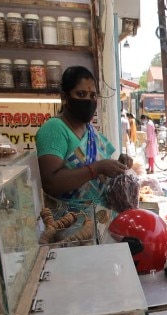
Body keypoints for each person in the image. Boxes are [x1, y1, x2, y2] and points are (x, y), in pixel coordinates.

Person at [36, 65, 128, 211]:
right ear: (65, 98)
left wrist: (117, 166)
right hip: (67, 225)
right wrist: (98, 168)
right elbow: (50, 184)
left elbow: (95, 175)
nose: (88, 100)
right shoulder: (54, 129)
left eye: (92, 95)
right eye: (81, 94)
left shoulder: (89, 130)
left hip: (98, 220)